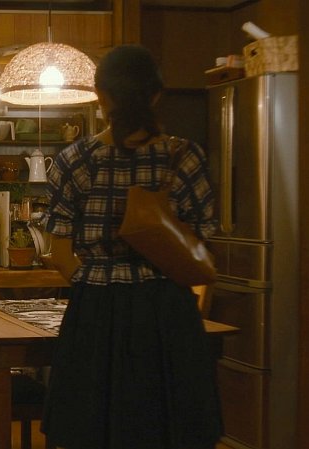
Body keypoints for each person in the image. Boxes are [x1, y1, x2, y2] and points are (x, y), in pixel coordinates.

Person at [41, 45, 222, 449]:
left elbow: (60, 254)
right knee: (171, 429)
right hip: (167, 312)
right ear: (156, 96)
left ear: (100, 96)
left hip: (95, 313)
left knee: (90, 431)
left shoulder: (74, 161)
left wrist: (97, 282)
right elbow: (203, 242)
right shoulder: (184, 157)